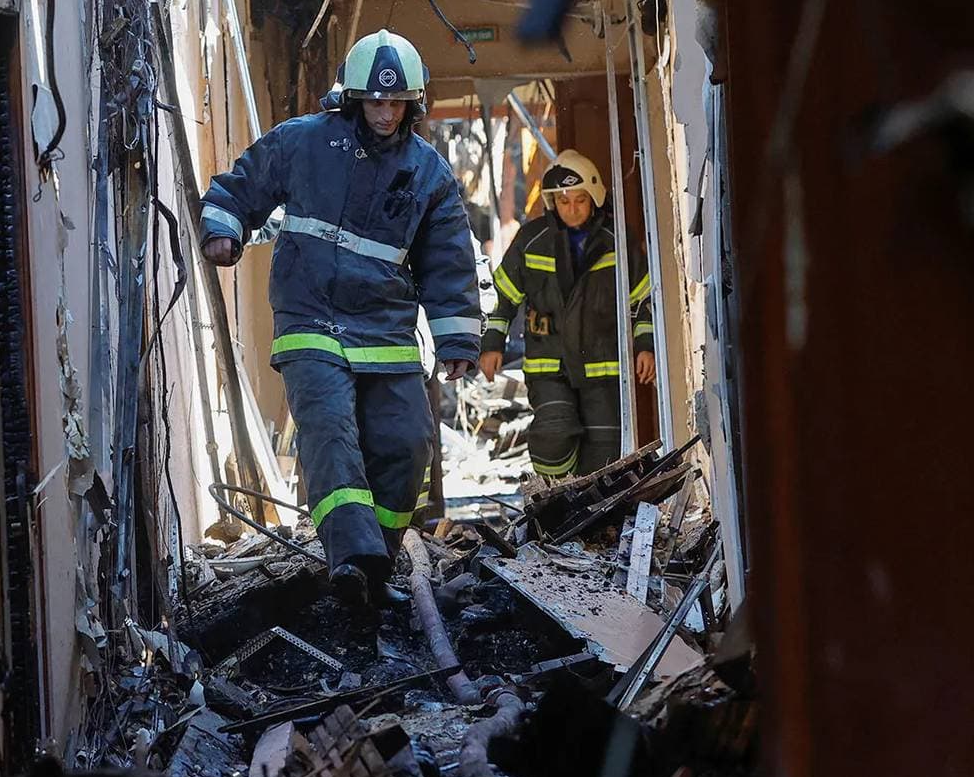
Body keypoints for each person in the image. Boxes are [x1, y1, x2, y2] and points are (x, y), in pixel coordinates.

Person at [199, 30, 482, 606]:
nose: (384, 113)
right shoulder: (304, 142)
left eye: (396, 102)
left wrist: (457, 337)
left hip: (386, 331)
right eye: (374, 101)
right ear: (353, 98)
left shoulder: (427, 173)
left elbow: (448, 259)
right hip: (311, 320)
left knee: (408, 445)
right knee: (330, 431)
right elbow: (236, 189)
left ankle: (378, 556)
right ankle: (351, 559)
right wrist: (223, 231)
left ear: (414, 104)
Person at [477, 150, 655, 478]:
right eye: (563, 201)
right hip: (549, 364)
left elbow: (646, 299)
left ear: (595, 198)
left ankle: (595, 519)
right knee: (553, 433)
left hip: (603, 366)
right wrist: (492, 344)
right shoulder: (532, 241)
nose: (571, 210)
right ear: (551, 202)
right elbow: (502, 298)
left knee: (605, 449)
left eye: (579, 200)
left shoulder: (617, 241)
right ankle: (556, 499)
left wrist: (646, 345)